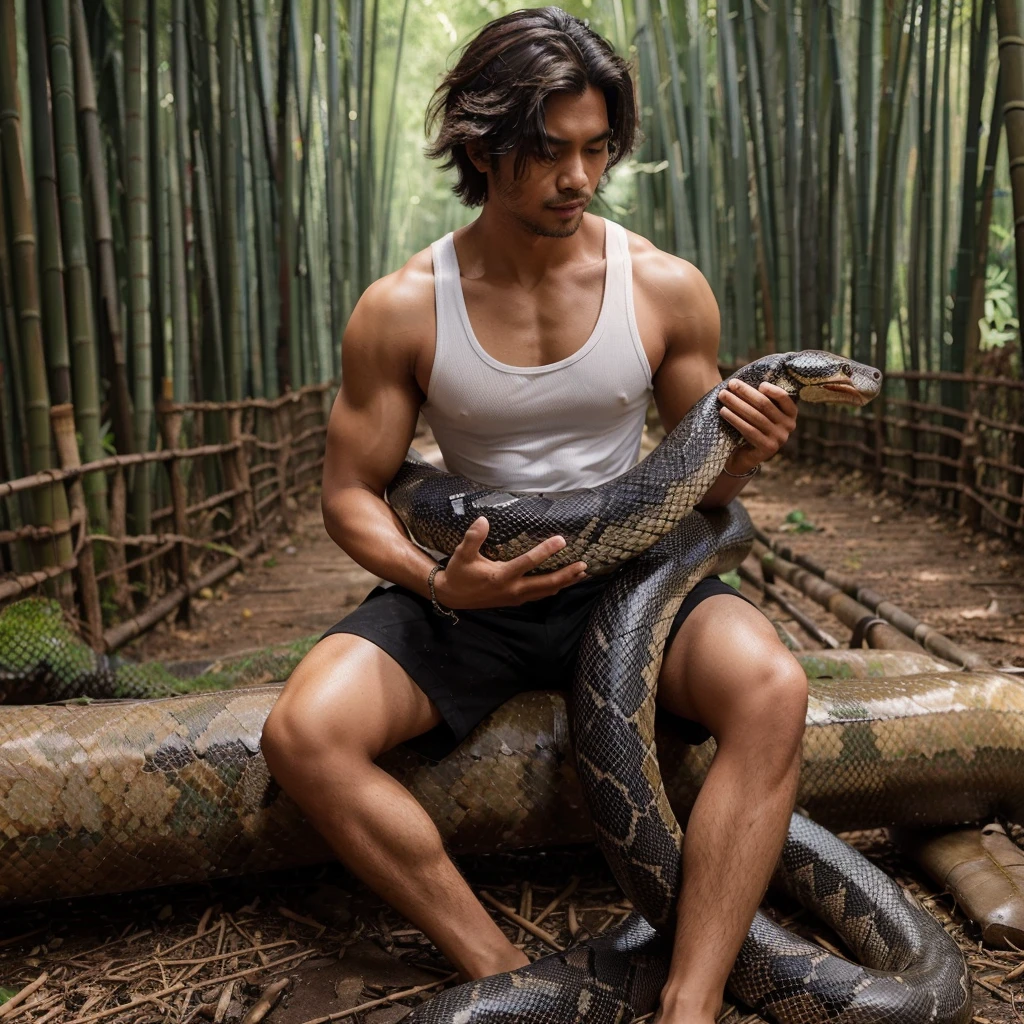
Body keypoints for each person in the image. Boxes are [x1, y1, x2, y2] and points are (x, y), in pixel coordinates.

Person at [260, 7, 807, 1022]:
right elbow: (346, 493)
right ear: (481, 145)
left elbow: (702, 485)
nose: (578, 178)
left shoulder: (663, 288)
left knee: (771, 687)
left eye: (598, 149)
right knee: (303, 731)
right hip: (470, 586)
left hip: (636, 575)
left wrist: (747, 453)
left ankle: (689, 1000)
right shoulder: (403, 304)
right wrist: (435, 579)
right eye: (550, 152)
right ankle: (506, 972)